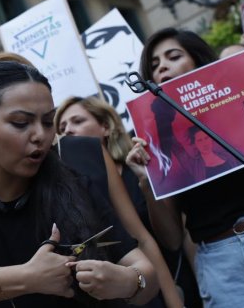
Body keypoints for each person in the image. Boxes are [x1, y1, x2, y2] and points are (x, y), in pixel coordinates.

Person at [0, 61, 157, 307]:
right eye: (20, 123)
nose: (40, 135)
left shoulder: (72, 184)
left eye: (49, 122)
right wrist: (30, 277)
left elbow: (146, 272)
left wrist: (128, 281)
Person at [128, 27, 244, 307]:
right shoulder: (160, 144)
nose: (163, 68)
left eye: (173, 57)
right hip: (221, 266)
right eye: (154, 66)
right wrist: (149, 182)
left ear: (199, 62)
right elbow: (172, 239)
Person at [55, 96, 185, 308]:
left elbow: (143, 238)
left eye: (77, 121)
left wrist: (173, 301)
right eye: (62, 127)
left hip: (150, 278)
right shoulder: (66, 184)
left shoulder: (137, 166)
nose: (68, 130)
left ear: (105, 127)